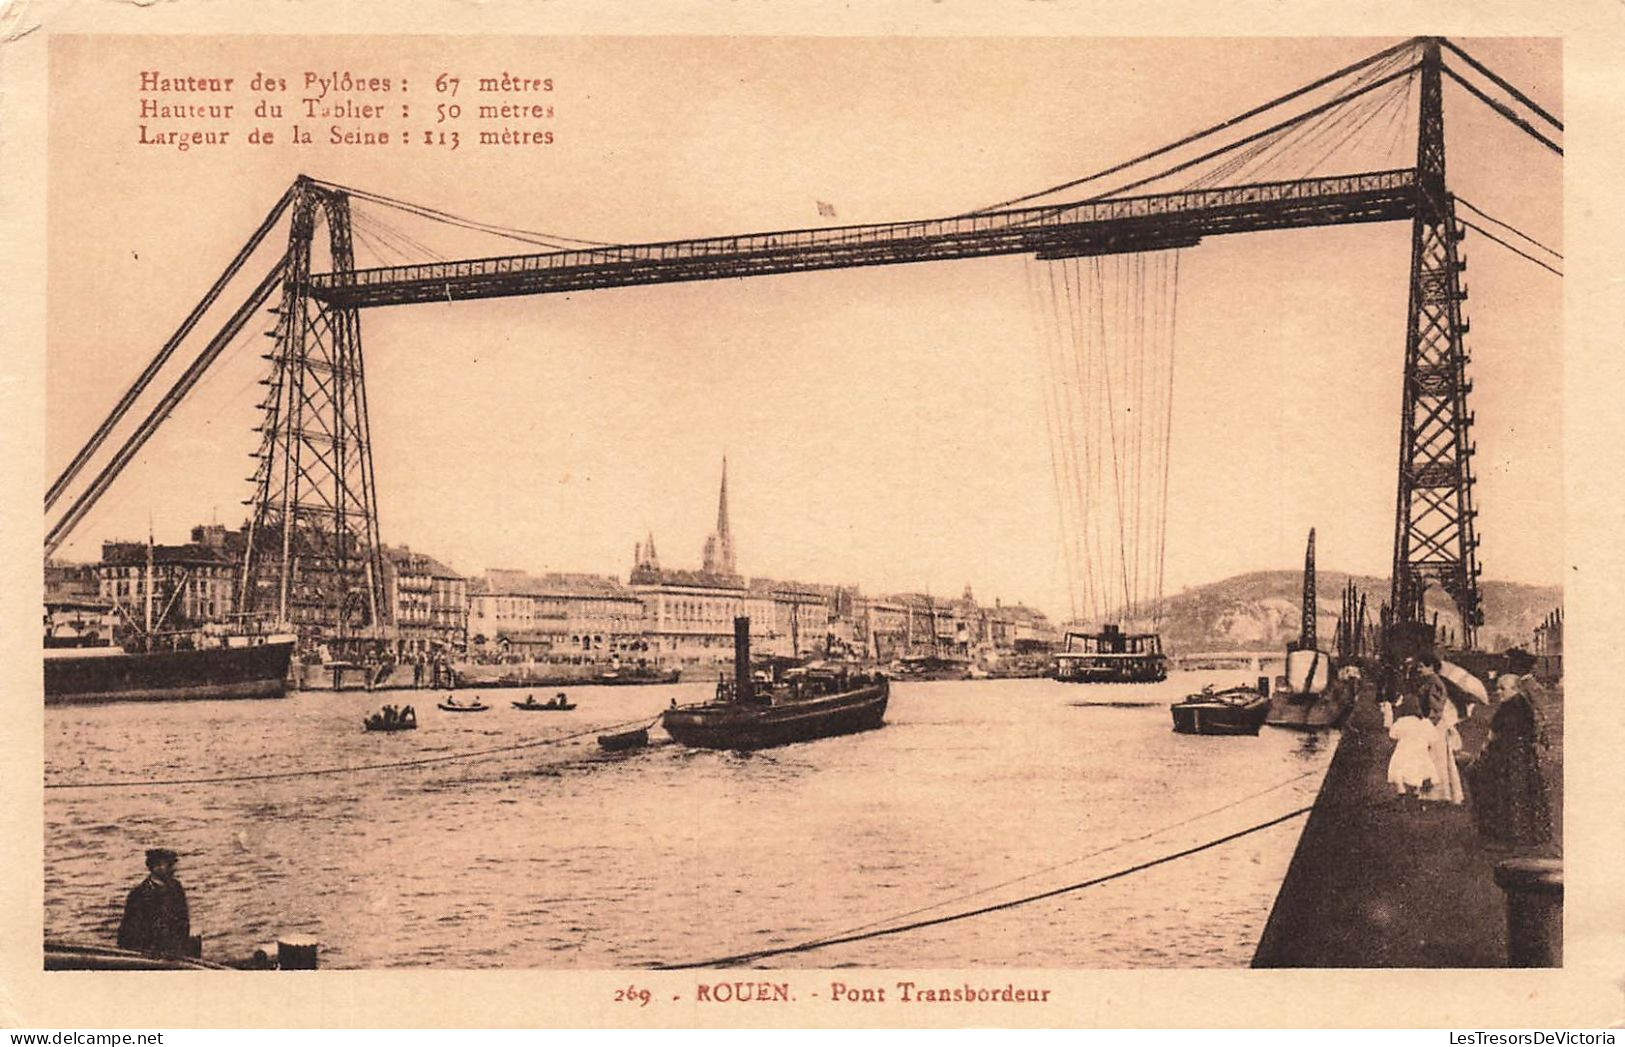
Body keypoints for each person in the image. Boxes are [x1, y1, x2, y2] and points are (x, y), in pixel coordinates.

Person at [117, 848, 190, 957]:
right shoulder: (138, 894)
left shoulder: (176, 888)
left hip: (173, 951)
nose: (171, 869)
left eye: (169, 865)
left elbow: (183, 920)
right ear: (153, 867)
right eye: (162, 865)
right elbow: (128, 929)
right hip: (145, 951)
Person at [1420, 660, 1466, 804]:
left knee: (1436, 756)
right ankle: (1445, 792)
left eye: (1422, 666)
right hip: (1437, 722)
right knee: (1441, 757)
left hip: (1435, 723)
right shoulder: (1433, 681)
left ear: (1431, 666)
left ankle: (1438, 793)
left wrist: (1430, 721)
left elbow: (1437, 706)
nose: (1419, 669)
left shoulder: (1433, 682)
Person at [1384, 696, 1435, 798]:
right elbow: (1433, 738)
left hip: (1404, 751)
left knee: (1398, 770)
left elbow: (1392, 735)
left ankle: (1401, 790)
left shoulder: (1401, 722)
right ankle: (1416, 790)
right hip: (1419, 752)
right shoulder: (1425, 722)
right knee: (1419, 770)